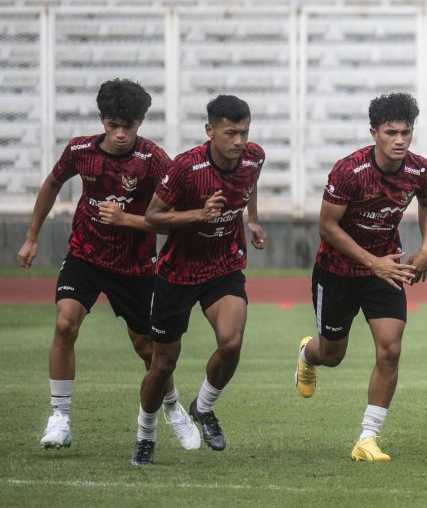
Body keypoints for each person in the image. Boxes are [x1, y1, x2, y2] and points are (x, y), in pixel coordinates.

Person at [18, 79, 199, 452]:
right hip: (85, 255)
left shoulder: (152, 159)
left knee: (149, 350)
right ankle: (60, 418)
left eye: (127, 127)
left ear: (140, 124)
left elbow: (171, 213)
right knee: (65, 323)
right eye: (113, 125)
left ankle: (173, 408)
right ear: (102, 120)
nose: (119, 134)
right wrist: (32, 236)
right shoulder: (80, 150)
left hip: (135, 266)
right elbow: (52, 184)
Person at [293, 93, 427, 463]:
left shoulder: (420, 169)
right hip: (338, 271)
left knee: (390, 347)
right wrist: (373, 262)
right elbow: (327, 227)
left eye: (406, 132)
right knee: (332, 354)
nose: (400, 140)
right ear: (374, 133)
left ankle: (367, 437)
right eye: (391, 132)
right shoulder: (349, 171)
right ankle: (308, 353)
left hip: (385, 270)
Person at [132, 94, 266, 466]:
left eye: (244, 132)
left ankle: (203, 407)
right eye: (230, 133)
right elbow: (153, 219)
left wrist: (251, 219)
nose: (238, 141)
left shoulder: (254, 156)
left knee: (231, 342)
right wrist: (198, 215)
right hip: (177, 272)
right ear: (210, 131)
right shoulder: (185, 168)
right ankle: (145, 434)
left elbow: (250, 185)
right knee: (163, 365)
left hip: (223, 266)